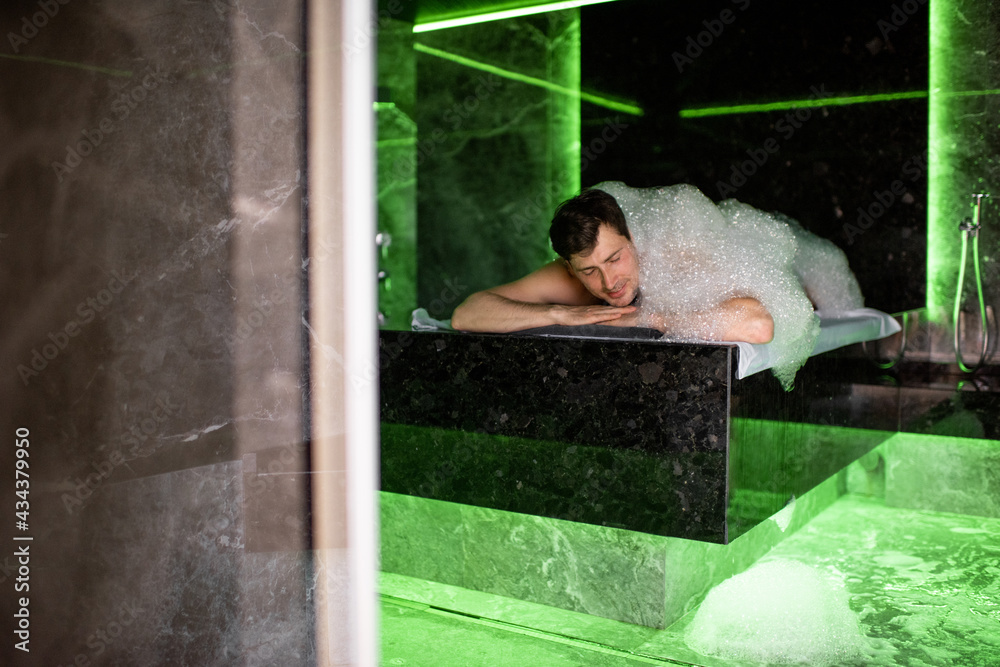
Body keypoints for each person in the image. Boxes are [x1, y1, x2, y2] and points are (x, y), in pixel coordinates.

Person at [450, 188, 775, 344]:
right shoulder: (569, 277)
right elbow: (468, 313)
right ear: (570, 267)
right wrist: (558, 313)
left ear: (631, 238)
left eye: (614, 258)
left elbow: (758, 326)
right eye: (589, 271)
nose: (608, 282)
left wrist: (648, 318)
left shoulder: (676, 256)